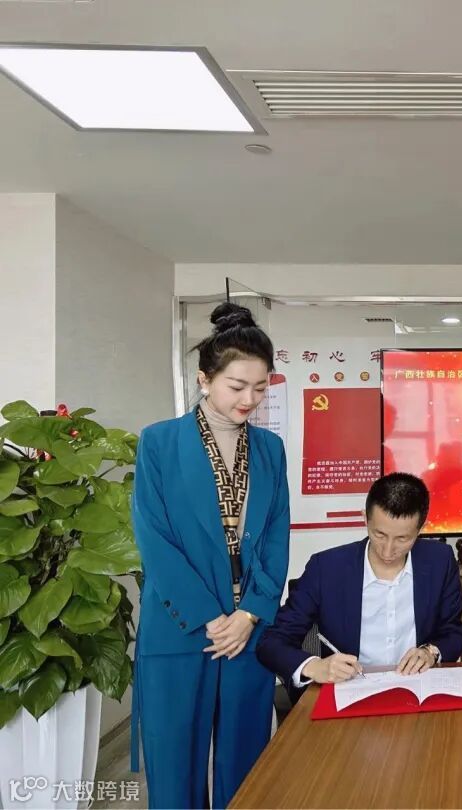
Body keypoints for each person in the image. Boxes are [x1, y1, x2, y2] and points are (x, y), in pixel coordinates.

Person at [131, 303, 290, 809]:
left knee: (247, 763)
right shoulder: (159, 442)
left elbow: (276, 537)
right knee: (174, 767)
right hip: (181, 627)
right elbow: (155, 541)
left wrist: (250, 614)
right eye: (237, 386)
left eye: (260, 388)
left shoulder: (270, 449)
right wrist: (210, 617)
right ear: (204, 379)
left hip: (247, 627)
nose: (250, 400)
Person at [256, 473, 462, 689]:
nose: (388, 551)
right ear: (365, 518)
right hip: (349, 690)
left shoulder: (440, 561)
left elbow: (453, 632)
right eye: (379, 534)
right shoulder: (326, 569)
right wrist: (315, 666)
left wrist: (430, 652)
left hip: (417, 688)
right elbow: (272, 642)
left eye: (402, 538)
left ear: (420, 528)